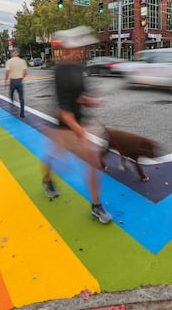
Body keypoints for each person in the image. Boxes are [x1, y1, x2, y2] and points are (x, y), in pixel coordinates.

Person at [42, 25, 113, 224]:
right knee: (53, 157)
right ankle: (47, 179)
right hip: (65, 126)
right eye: (78, 45)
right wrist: (79, 131)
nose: (81, 49)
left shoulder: (79, 67)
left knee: (92, 162)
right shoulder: (60, 71)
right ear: (66, 48)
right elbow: (63, 111)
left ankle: (96, 205)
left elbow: (80, 94)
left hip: (79, 123)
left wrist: (89, 100)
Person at [4, 48, 28, 117]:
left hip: (13, 81)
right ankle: (22, 113)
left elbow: (7, 72)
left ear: (12, 54)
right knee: (21, 97)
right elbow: (25, 72)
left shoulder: (9, 61)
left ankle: (13, 107)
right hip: (20, 81)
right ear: (18, 53)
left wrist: (5, 81)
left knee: (11, 94)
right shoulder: (22, 61)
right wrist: (22, 77)